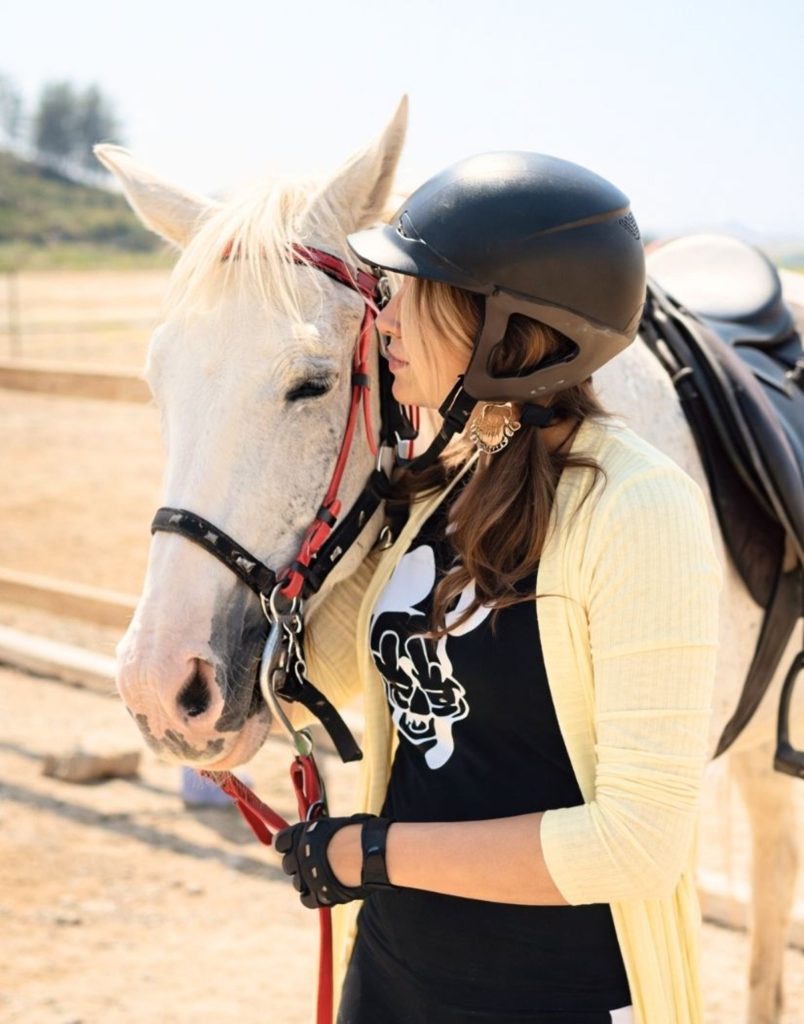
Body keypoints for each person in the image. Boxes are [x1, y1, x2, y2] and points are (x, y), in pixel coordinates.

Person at [274, 152, 722, 1024]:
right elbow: (343, 670)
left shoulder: (642, 509)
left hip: (553, 996)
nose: (386, 318)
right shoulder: (447, 483)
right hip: (397, 975)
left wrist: (373, 853)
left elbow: (638, 843)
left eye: (411, 291)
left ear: (505, 326)